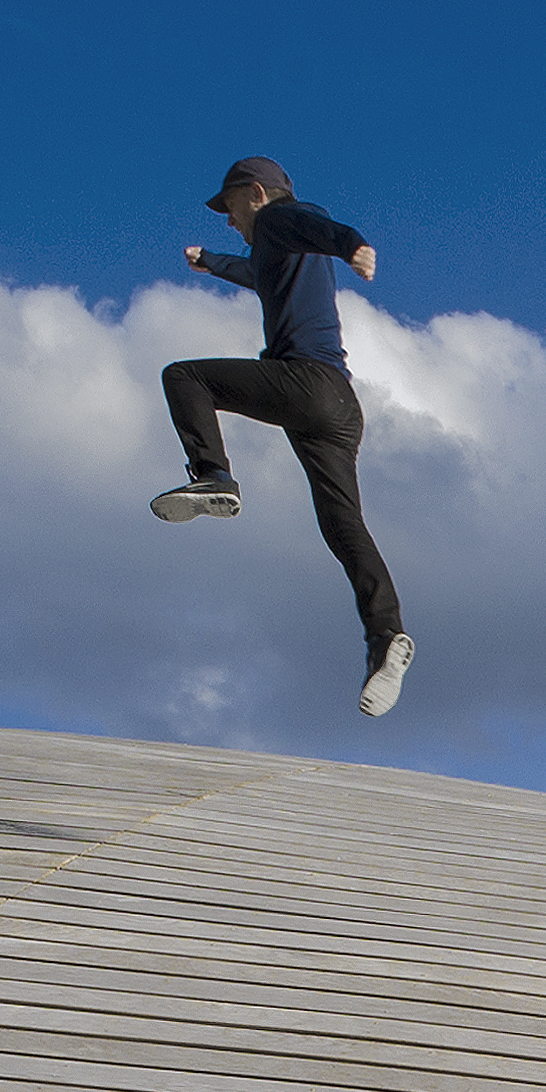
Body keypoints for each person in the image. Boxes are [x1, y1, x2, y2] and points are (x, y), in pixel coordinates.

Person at [153, 156, 411, 718]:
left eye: (231, 209)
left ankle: (214, 477)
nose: (229, 222)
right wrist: (213, 264)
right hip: (338, 407)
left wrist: (352, 244)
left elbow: (315, 222)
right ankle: (385, 638)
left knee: (185, 376)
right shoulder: (281, 251)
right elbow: (258, 274)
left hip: (305, 382)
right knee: (342, 525)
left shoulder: (281, 218)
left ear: (255, 195)